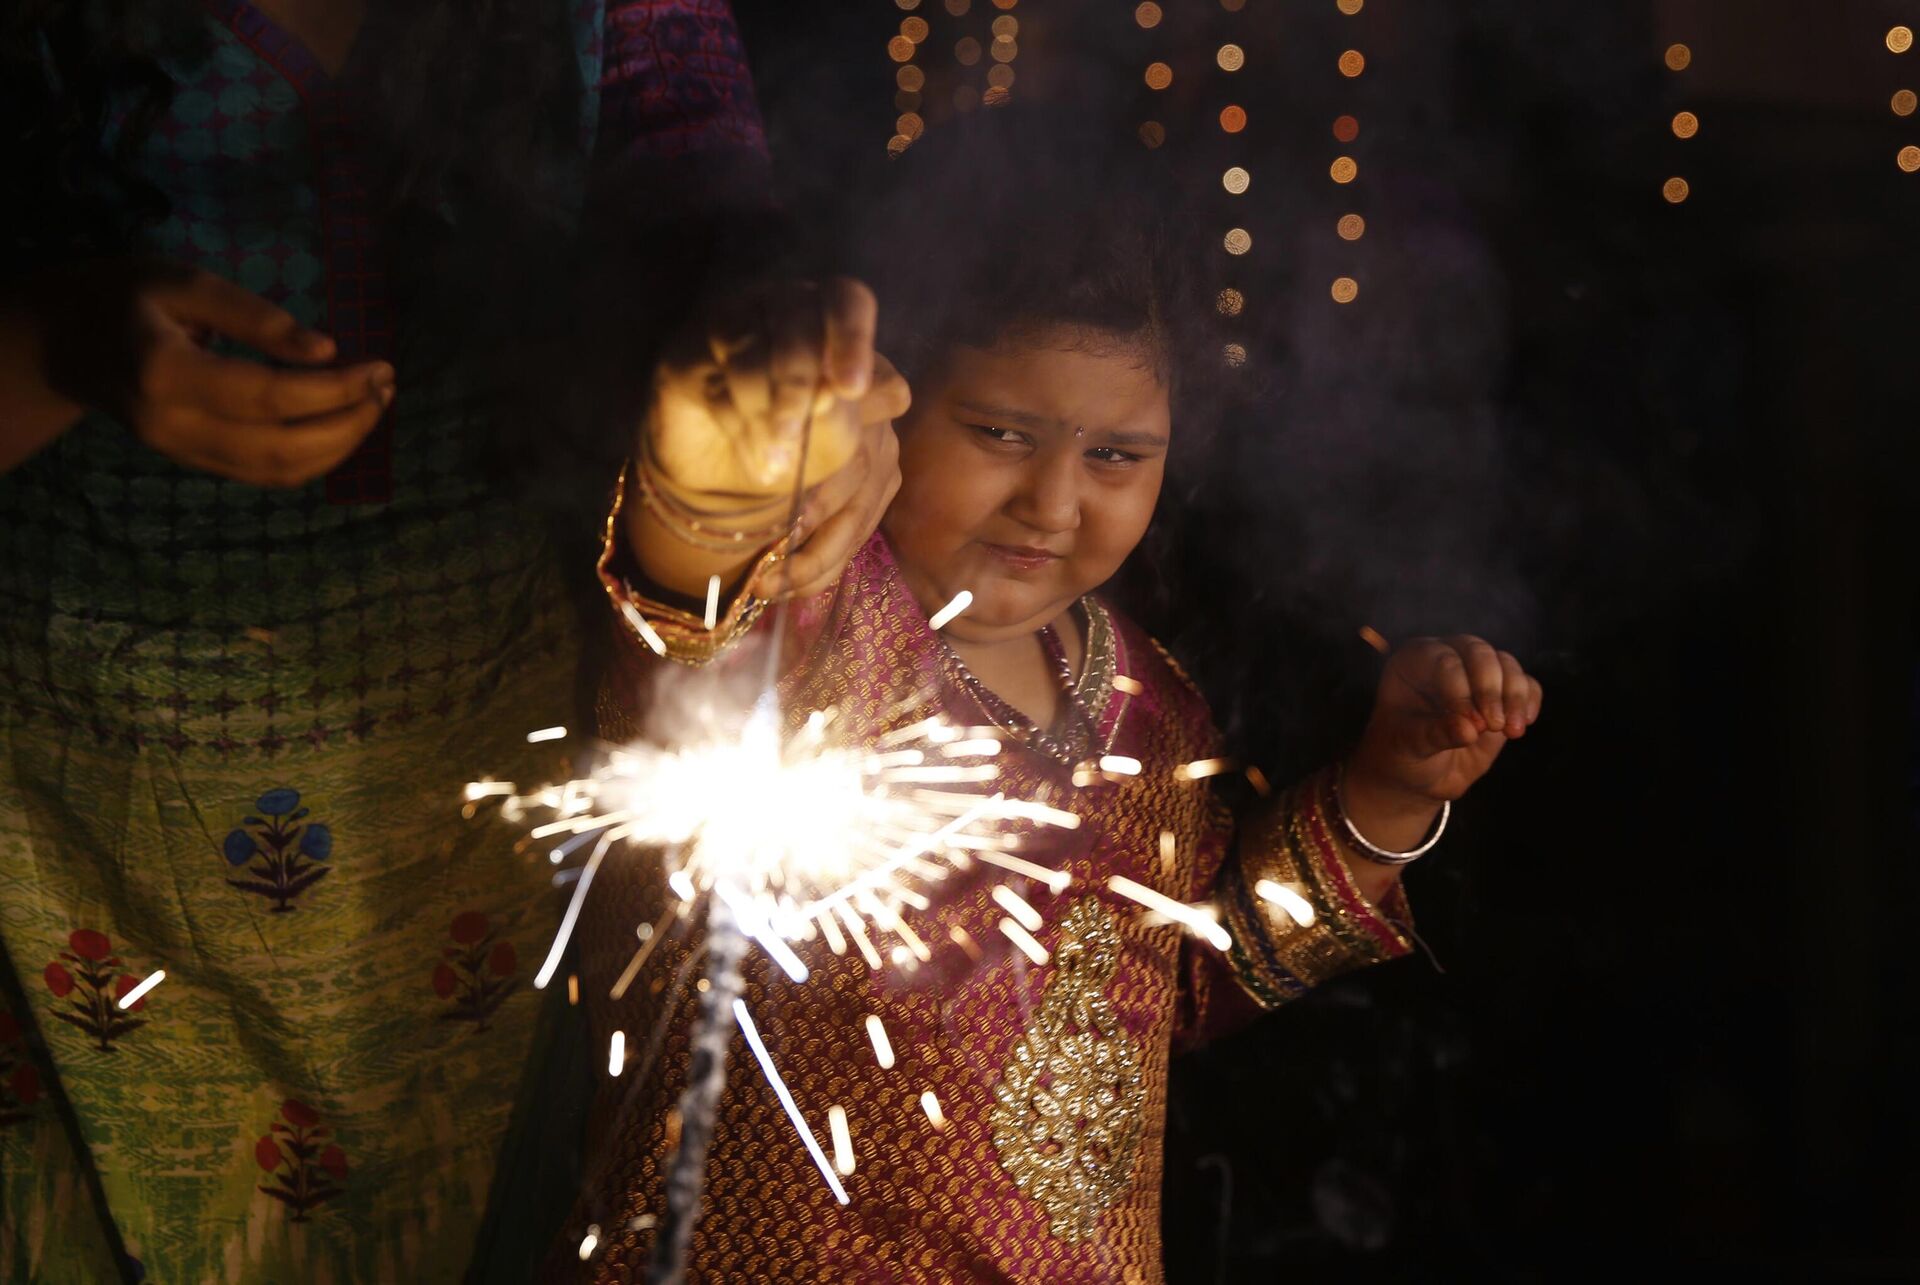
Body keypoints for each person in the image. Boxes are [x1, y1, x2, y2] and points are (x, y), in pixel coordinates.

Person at [555, 110, 1544, 1280]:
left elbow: (1183, 974)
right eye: (1001, 433)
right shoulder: (816, 610)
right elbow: (686, 604)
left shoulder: (1150, 704)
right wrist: (711, 482)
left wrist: (1382, 794)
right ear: (886, 405)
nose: (1056, 502)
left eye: (1119, 456)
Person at [0, 2, 898, 1279]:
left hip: (471, 818)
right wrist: (57, 342)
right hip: (60, 824)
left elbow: (708, 257)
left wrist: (759, 434)